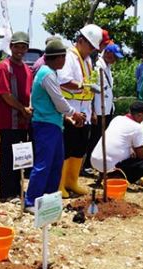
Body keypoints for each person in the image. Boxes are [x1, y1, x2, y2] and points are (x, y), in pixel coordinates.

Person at [25, 39, 84, 211]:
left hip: (54, 124)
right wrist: (74, 113)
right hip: (45, 125)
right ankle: (31, 201)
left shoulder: (50, 72)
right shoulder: (47, 74)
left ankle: (49, 199)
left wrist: (67, 117)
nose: (65, 61)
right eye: (63, 57)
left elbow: (54, 102)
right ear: (56, 58)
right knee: (43, 164)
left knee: (56, 163)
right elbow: (59, 101)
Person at [58, 23, 103, 197]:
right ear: (80, 40)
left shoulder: (87, 60)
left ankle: (72, 181)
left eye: (94, 47)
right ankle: (60, 184)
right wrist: (83, 85)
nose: (91, 50)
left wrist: (91, 110)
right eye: (90, 45)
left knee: (79, 148)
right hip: (70, 109)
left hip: (84, 109)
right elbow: (63, 80)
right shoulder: (70, 57)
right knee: (67, 148)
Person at [0, 31, 34, 201]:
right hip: (8, 120)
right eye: (17, 46)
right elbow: (5, 94)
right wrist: (22, 109)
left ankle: (17, 189)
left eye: (23, 47)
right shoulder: (4, 67)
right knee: (8, 156)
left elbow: (28, 92)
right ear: (11, 47)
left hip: (23, 121)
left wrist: (28, 109)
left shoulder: (27, 69)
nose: (20, 50)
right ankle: (6, 192)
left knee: (20, 155)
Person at [91, 103, 143, 183]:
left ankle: (103, 174)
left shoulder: (117, 118)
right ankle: (116, 176)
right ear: (139, 115)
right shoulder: (137, 127)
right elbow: (141, 155)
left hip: (95, 160)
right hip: (110, 165)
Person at [84, 43, 122, 175]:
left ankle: (95, 163)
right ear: (107, 53)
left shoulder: (108, 67)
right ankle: (87, 164)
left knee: (101, 138)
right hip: (98, 110)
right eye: (113, 56)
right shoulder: (97, 67)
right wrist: (93, 111)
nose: (115, 60)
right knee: (94, 138)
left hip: (107, 108)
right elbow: (92, 90)